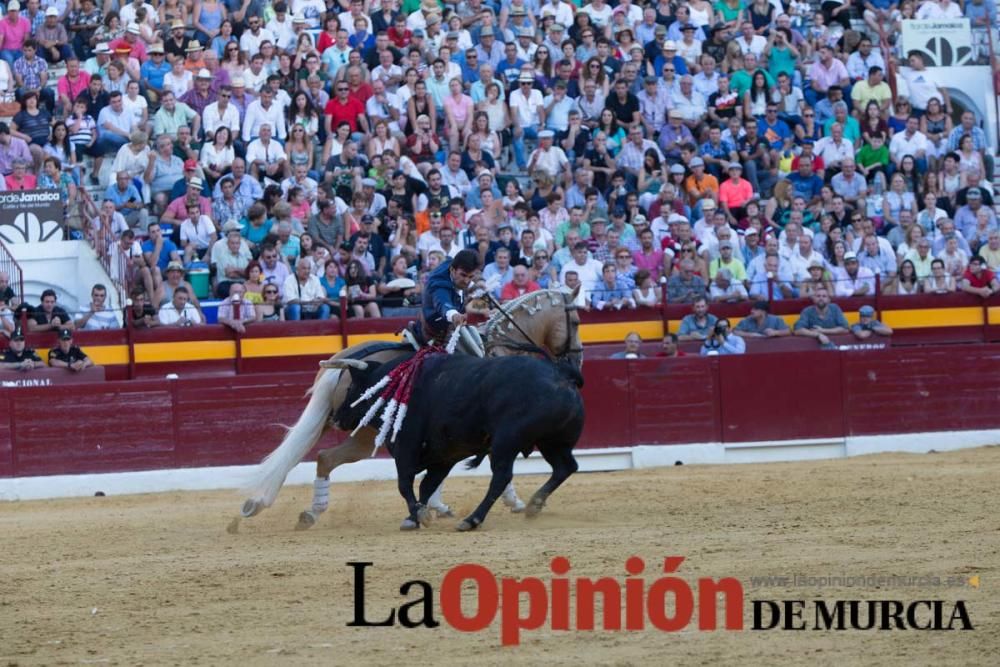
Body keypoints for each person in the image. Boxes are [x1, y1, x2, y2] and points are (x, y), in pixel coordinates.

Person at [420, 247, 478, 343]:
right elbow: (443, 303)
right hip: (436, 329)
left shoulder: (456, 266)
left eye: (470, 277)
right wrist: (454, 315)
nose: (467, 281)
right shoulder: (438, 283)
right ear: (452, 270)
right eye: (463, 275)